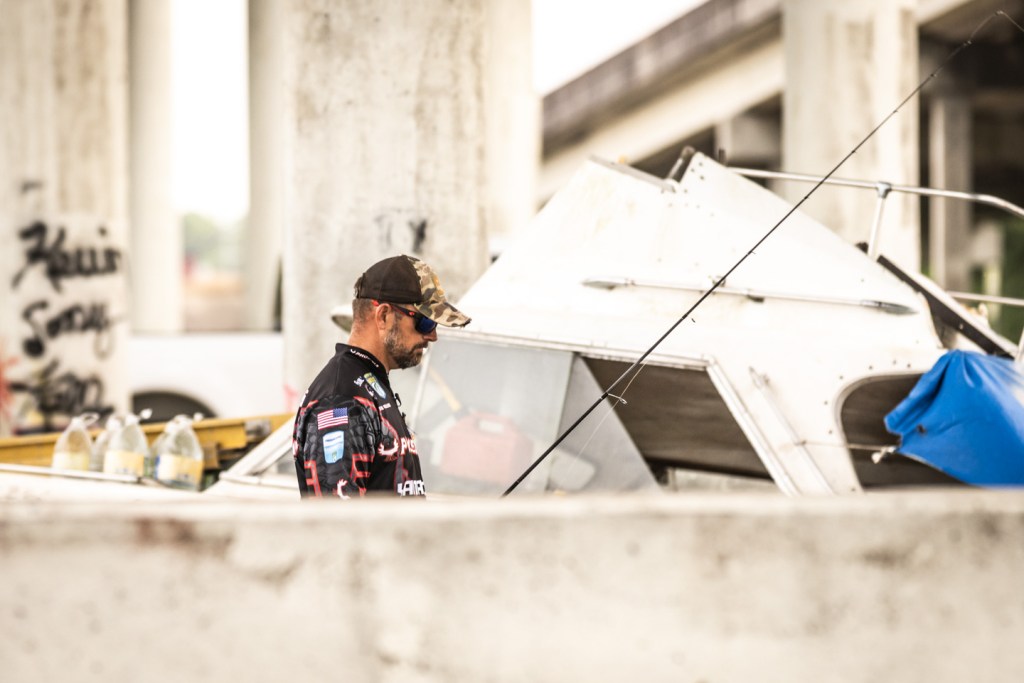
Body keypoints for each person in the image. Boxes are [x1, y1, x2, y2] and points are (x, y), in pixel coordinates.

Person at [292, 254, 470, 499]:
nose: (432, 336)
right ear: (383, 316)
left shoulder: (367, 383)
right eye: (426, 323)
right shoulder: (342, 400)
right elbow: (336, 518)